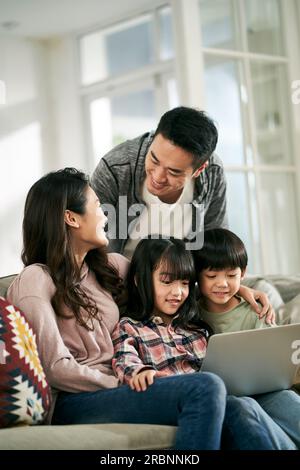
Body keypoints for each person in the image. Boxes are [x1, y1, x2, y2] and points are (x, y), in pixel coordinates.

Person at [6, 167, 260, 451]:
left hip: (128, 381)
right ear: (71, 217)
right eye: (98, 206)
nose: (105, 216)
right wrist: (125, 380)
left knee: (236, 406)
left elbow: (171, 283)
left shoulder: (111, 267)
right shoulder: (36, 280)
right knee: (206, 387)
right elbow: (55, 368)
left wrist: (240, 289)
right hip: (76, 400)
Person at [91, 106, 275, 323]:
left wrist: (232, 289)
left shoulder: (212, 173)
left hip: (185, 285)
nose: (158, 177)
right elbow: (93, 253)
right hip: (125, 285)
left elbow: (215, 244)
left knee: (266, 292)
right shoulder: (115, 168)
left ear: (199, 169)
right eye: (154, 159)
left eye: (174, 171)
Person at [112, 237, 296, 450]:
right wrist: (138, 371)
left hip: (218, 397)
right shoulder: (130, 325)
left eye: (184, 283)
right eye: (167, 281)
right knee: (240, 406)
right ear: (139, 280)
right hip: (177, 399)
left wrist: (240, 289)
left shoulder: (196, 328)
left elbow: (212, 293)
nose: (177, 292)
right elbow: (123, 358)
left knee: (267, 400)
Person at [193, 228, 300, 449]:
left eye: (231, 276)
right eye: (212, 276)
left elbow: (277, 356)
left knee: (291, 405)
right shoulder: (190, 312)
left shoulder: (255, 311)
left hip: (268, 390)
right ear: (196, 275)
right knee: (247, 412)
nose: (222, 283)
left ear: (243, 274)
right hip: (231, 398)